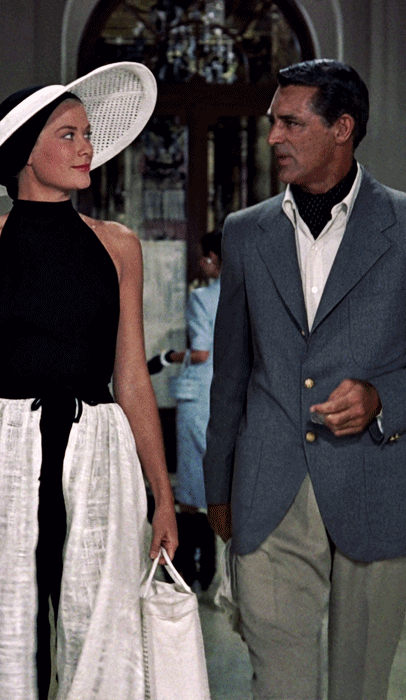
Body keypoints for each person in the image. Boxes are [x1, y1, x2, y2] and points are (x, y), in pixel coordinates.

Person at [0, 62, 178, 700]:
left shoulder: (119, 245)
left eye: (88, 135)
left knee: (103, 637)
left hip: (101, 454)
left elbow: (132, 376)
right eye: (68, 135)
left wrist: (163, 496)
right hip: (3, 454)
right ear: (25, 151)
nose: (87, 148)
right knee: (4, 640)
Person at [203, 58, 406, 700]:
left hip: (377, 484)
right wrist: (217, 486)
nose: (273, 137)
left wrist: (384, 397)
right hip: (269, 488)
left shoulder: (405, 226)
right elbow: (231, 372)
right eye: (273, 122)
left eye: (291, 123)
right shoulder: (244, 232)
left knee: (360, 687)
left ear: (342, 128)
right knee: (280, 686)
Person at [148, 232, 221, 589]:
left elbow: (202, 353)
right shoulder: (247, 295)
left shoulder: (202, 298)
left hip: (199, 395)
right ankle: (209, 566)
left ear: (213, 258)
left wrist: (166, 357)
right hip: (229, 393)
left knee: (191, 488)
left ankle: (190, 566)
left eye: (203, 258)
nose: (201, 265)